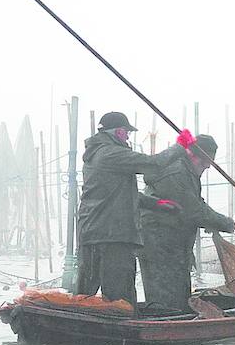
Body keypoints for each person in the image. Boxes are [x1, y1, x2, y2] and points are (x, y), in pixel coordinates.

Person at [75, 111, 178, 304]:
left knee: (84, 295)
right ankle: (123, 329)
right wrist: (182, 146)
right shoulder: (111, 153)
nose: (129, 137)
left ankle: (78, 329)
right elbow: (153, 163)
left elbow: (119, 195)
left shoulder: (95, 155)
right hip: (113, 236)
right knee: (120, 298)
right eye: (127, 133)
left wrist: (158, 204)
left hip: (91, 233)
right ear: (120, 133)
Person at [140, 131, 235, 311]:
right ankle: (165, 329)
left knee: (178, 295)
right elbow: (192, 210)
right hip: (160, 243)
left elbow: (195, 204)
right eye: (204, 161)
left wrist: (212, 222)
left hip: (173, 244)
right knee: (164, 298)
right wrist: (222, 223)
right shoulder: (176, 172)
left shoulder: (187, 171)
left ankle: (173, 322)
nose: (207, 166)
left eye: (210, 163)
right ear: (192, 154)